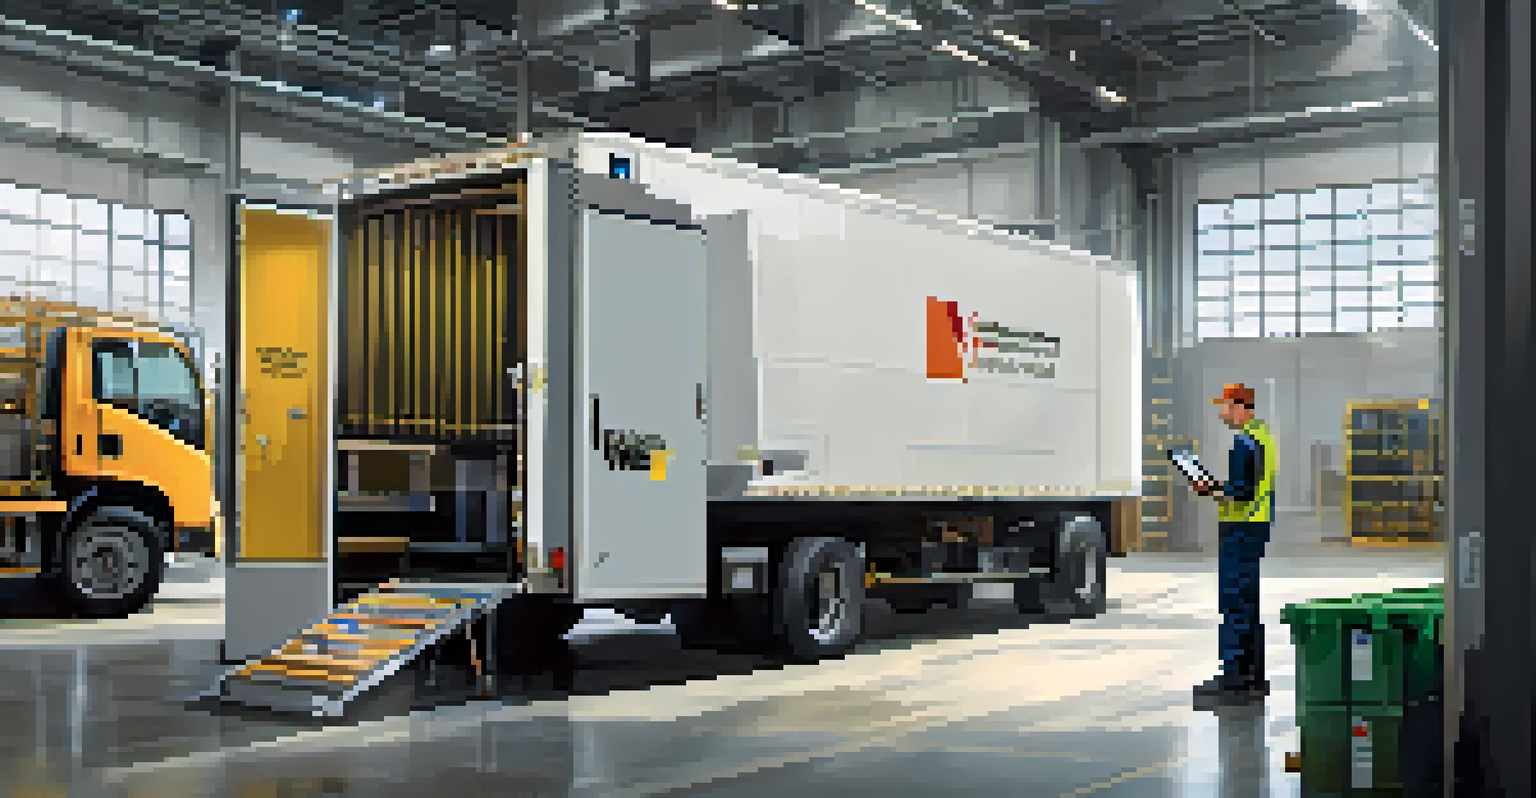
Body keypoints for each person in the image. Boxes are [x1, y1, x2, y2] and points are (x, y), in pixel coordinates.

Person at [1190, 383, 1276, 702]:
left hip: (1241, 529)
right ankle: (1253, 677)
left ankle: (1234, 679)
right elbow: (1251, 485)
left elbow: (1241, 492)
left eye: (1225, 406)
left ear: (1241, 407)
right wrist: (1222, 486)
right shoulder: (1262, 436)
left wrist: (1210, 488)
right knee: (1249, 603)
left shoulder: (1243, 442)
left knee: (1235, 601)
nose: (1221, 412)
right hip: (1256, 527)